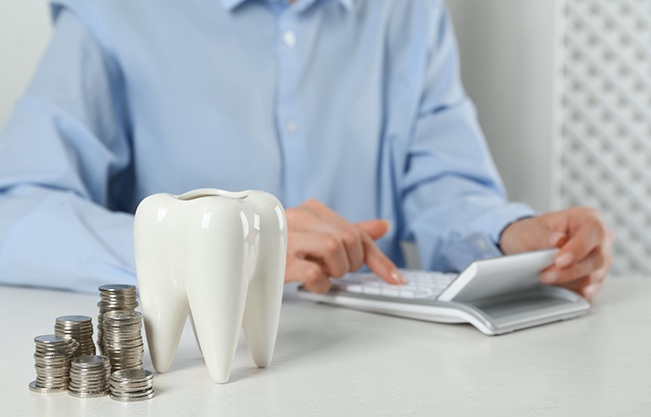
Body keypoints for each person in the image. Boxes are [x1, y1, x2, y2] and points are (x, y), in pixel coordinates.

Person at [0, 0, 613, 298]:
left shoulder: (406, 13)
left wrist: (517, 234)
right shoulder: (114, 13)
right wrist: (207, 245)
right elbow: (17, 216)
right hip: (200, 376)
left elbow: (445, 187)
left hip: (387, 372)